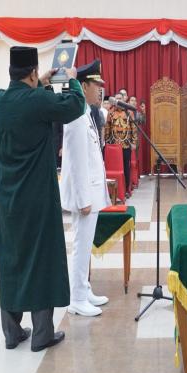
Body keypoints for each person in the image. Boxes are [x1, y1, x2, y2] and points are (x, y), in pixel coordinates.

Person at [0, 46, 85, 351]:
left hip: (7, 196)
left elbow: (23, 103)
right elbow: (75, 106)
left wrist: (39, 83)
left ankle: (12, 331)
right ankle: (42, 333)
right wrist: (71, 80)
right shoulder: (39, 99)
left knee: (12, 257)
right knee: (42, 257)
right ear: (33, 72)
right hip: (38, 195)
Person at [60, 59, 110, 317]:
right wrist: (83, 199)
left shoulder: (87, 112)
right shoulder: (77, 116)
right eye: (95, 85)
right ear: (82, 85)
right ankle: (77, 298)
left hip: (90, 191)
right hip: (84, 195)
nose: (100, 89)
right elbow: (78, 162)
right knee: (81, 244)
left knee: (86, 244)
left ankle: (84, 287)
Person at [105, 93, 138, 197]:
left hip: (126, 145)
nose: (118, 100)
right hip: (114, 146)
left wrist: (134, 142)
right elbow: (107, 128)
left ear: (123, 100)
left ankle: (127, 190)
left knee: (126, 168)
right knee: (116, 169)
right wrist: (106, 142)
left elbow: (134, 129)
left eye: (120, 98)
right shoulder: (110, 112)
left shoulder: (129, 113)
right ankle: (116, 192)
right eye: (117, 99)